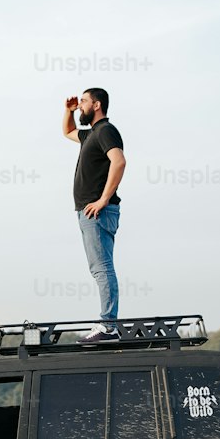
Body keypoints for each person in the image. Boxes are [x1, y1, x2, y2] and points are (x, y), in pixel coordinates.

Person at [62, 88, 126, 344]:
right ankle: (108, 324)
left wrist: (103, 199)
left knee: (102, 269)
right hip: (89, 212)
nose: (80, 107)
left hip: (97, 211)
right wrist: (67, 111)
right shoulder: (90, 134)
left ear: (97, 105)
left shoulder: (105, 131)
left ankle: (108, 326)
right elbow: (67, 132)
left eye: (84, 102)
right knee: (99, 268)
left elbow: (119, 161)